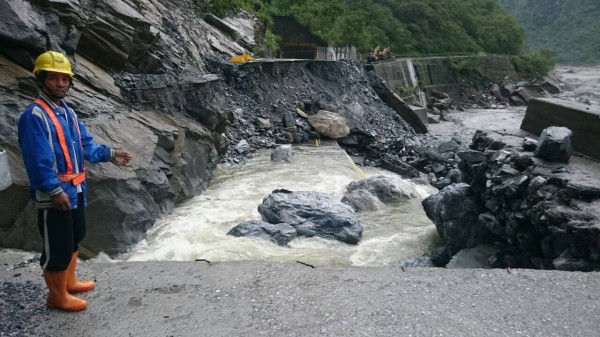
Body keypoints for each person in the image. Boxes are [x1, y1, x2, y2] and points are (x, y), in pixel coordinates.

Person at [18, 51, 133, 312]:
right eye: (54, 79)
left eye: (64, 79)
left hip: (76, 190)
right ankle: (56, 295)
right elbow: (37, 161)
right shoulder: (34, 116)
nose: (60, 84)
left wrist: (112, 154)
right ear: (41, 79)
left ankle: (69, 282)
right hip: (55, 194)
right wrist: (54, 190)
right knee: (57, 246)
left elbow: (86, 145)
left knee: (74, 237)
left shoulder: (67, 112)